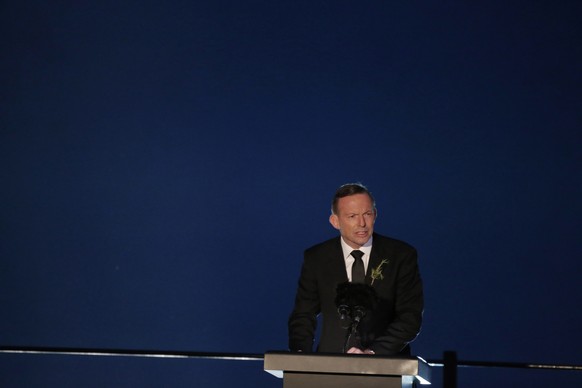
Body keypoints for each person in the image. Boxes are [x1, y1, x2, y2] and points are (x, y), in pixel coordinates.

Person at [288, 183, 423, 355]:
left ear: (375, 215)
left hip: (385, 367)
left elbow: (410, 317)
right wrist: (300, 355)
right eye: (352, 216)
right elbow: (303, 315)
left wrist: (372, 353)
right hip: (330, 366)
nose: (362, 223)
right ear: (335, 221)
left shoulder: (401, 255)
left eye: (367, 214)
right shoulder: (317, 258)